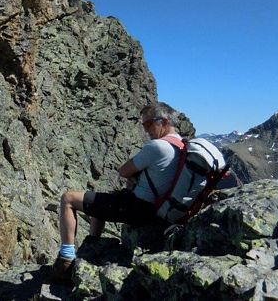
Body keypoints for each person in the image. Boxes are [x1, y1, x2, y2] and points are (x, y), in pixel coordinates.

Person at [51, 102, 184, 283]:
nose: (146, 130)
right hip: (160, 208)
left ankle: (66, 260)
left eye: (148, 124)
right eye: (143, 125)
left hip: (139, 208)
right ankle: (91, 248)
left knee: (68, 198)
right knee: (100, 203)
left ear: (165, 121)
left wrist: (133, 176)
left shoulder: (158, 146)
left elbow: (123, 171)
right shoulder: (181, 144)